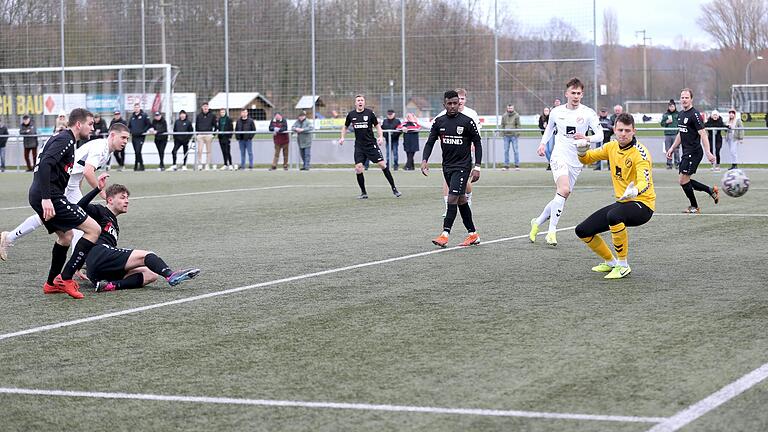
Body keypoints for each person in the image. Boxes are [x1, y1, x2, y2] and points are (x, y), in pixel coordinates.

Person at [1, 123, 130, 262]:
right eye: (123, 137)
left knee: (63, 219)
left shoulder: (106, 149)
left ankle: (9, 238)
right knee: (72, 221)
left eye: (127, 139)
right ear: (112, 135)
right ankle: (77, 263)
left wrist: (78, 190)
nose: (125, 142)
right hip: (65, 184)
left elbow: (79, 170)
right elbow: (88, 171)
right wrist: (103, 193)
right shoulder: (101, 148)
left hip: (71, 185)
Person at [27, 108, 101, 299]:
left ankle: (51, 283)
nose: (93, 128)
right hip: (49, 196)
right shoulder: (65, 139)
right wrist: (46, 198)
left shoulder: (65, 139)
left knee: (66, 236)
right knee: (94, 230)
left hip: (44, 194)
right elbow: (45, 165)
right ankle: (66, 278)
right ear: (78, 124)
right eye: (90, 124)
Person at [76, 181, 201, 292]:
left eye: (127, 198)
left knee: (151, 274)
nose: (127, 201)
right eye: (122, 197)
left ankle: (110, 285)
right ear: (110, 200)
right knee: (147, 255)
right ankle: (170, 274)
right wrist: (97, 189)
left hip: (98, 271)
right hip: (100, 254)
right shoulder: (100, 211)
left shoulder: (115, 225)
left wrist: (80, 265)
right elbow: (79, 206)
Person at [574, 112, 655, 279]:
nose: (623, 134)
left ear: (634, 131)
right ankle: (610, 262)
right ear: (614, 130)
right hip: (623, 203)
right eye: (620, 130)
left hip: (643, 204)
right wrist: (581, 151)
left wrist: (635, 190)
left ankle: (623, 265)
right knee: (582, 230)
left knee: (614, 216)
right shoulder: (611, 147)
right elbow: (588, 159)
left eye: (627, 130)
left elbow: (644, 181)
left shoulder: (641, 153)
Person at [529, 77, 603, 246]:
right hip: (559, 154)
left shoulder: (588, 113)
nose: (576, 96)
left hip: (577, 159)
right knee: (563, 189)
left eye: (579, 93)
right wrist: (542, 144)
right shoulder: (557, 112)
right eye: (573, 93)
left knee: (563, 194)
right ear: (566, 93)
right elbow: (549, 130)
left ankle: (537, 222)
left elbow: (600, 135)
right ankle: (551, 232)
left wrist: (587, 137)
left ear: (582, 95)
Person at [421, 90, 482, 248]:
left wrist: (477, 167)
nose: (453, 106)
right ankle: (473, 234)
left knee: (452, 198)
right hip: (447, 166)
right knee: (462, 201)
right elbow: (430, 142)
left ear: (459, 103)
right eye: (450, 103)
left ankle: (444, 234)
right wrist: (424, 160)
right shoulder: (439, 122)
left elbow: (478, 143)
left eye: (456, 103)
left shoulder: (467, 121)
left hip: (463, 166)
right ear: (444, 104)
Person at [665, 88, 718, 214]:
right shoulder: (681, 114)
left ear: (691, 99)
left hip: (694, 152)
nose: (684, 100)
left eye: (686, 97)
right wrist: (672, 148)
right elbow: (680, 133)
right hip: (686, 152)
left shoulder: (695, 115)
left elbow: (703, 134)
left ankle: (694, 206)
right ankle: (710, 191)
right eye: (682, 97)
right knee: (684, 180)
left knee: (683, 181)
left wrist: (708, 152)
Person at [339, 94, 401, 199]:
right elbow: (345, 127)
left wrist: (380, 137)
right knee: (358, 168)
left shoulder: (369, 113)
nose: (360, 102)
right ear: (355, 103)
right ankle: (364, 193)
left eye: (362, 100)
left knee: (382, 165)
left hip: (371, 145)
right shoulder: (351, 114)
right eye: (358, 100)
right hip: (359, 146)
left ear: (364, 102)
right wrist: (342, 137)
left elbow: (377, 126)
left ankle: (394, 189)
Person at [434, 88, 480, 214]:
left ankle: (468, 200)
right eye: (457, 99)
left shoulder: (471, 114)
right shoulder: (444, 114)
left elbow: (477, 133)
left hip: (465, 151)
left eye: (462, 99)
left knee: (464, 181)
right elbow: (435, 126)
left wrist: (473, 144)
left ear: (464, 100)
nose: (459, 102)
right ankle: (448, 206)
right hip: (449, 152)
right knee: (446, 179)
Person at [128, 103, 151, 171]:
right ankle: (138, 166)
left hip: (140, 137)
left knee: (138, 151)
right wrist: (131, 131)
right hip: (134, 136)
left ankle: (139, 165)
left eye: (137, 107)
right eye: (135, 107)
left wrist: (143, 131)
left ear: (139, 108)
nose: (136, 109)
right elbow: (129, 126)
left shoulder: (144, 115)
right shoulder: (132, 116)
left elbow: (148, 124)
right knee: (136, 152)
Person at [195, 102, 217, 170]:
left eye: (206, 106)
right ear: (202, 107)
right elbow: (196, 125)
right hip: (200, 135)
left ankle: (207, 164)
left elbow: (215, 126)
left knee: (208, 151)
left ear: (208, 107)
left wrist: (213, 134)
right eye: (204, 106)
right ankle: (200, 164)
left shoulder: (212, 116)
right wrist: (197, 134)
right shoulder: (199, 116)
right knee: (200, 150)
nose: (205, 108)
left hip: (208, 135)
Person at [660, 99, 680, 169]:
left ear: (675, 107)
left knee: (676, 150)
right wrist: (666, 122)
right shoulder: (665, 115)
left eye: (672, 106)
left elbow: (680, 124)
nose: (671, 108)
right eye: (670, 107)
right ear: (668, 107)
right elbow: (662, 124)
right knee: (668, 150)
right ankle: (669, 164)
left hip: (675, 134)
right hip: (667, 134)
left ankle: (677, 164)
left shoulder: (678, 114)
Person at [500, 104, 521, 170]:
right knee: (506, 151)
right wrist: (503, 133)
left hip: (514, 136)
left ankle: (517, 165)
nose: (510, 109)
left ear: (513, 108)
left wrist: (517, 133)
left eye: (511, 108)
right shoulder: (504, 115)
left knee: (516, 151)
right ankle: (506, 165)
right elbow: (502, 125)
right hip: (506, 136)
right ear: (507, 108)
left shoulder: (516, 115)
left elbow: (518, 125)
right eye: (509, 108)